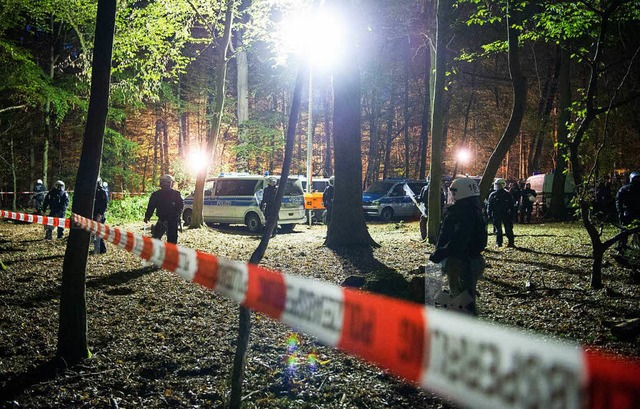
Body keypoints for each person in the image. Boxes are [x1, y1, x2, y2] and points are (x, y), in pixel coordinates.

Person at [429, 176, 487, 315]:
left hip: (462, 261)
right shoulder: (473, 210)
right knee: (464, 296)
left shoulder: (463, 212)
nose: (452, 196)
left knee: (462, 299)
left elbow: (460, 238)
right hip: (467, 259)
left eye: (454, 193)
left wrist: (442, 252)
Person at [144, 174, 184, 244]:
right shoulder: (156, 195)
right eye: (164, 182)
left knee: (172, 241)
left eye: (168, 182)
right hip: (162, 219)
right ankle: (157, 253)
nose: (166, 184)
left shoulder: (176, 194)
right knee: (155, 240)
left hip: (172, 220)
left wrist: (178, 215)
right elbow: (151, 206)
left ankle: (170, 254)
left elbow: (180, 206)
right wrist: (147, 216)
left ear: (171, 184)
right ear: (161, 183)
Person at [615, 171, 640, 256]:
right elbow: (618, 201)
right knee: (624, 232)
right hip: (628, 213)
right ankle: (621, 248)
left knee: (626, 232)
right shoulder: (625, 189)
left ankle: (624, 248)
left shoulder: (624, 189)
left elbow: (618, 201)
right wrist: (620, 213)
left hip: (632, 214)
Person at [487, 178, 515, 247]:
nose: (497, 186)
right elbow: (490, 205)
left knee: (506, 229)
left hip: (503, 214)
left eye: (499, 185)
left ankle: (507, 243)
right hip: (500, 214)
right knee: (499, 229)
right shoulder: (495, 194)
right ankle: (501, 243)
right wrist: (489, 213)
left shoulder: (504, 194)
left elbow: (511, 206)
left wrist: (489, 213)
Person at [93, 177, 109, 254]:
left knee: (99, 232)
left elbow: (104, 204)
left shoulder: (102, 192)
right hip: (94, 213)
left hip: (99, 214)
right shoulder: (93, 191)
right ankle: (97, 248)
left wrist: (100, 214)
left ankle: (101, 249)